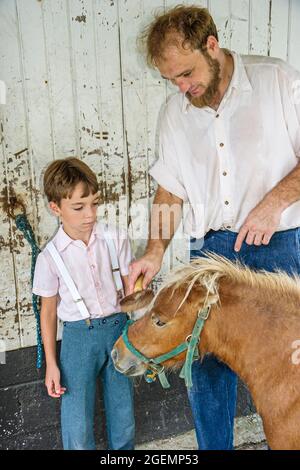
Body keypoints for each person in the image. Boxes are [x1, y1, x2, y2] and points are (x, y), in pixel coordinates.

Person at [128, 5, 300, 450]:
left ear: (212, 45)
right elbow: (169, 193)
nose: (183, 88)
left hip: (278, 246)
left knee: (292, 372)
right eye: (173, 80)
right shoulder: (174, 114)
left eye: (186, 74)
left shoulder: (277, 80)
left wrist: (273, 204)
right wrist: (154, 251)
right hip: (210, 251)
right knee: (202, 373)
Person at [32, 157, 135, 450]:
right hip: (78, 337)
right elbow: (48, 313)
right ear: (56, 208)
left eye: (94, 203)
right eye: (78, 207)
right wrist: (52, 364)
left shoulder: (116, 238)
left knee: (124, 416)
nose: (89, 214)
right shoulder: (50, 257)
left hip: (119, 329)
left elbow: (131, 291)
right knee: (77, 426)